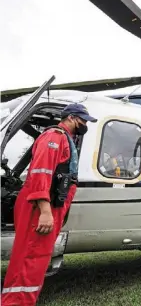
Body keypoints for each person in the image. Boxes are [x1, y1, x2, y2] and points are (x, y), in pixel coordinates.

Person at [1, 103, 97, 306]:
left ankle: (21, 300)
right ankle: (15, 302)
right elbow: (41, 173)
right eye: (83, 120)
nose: (85, 125)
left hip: (51, 205)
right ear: (71, 118)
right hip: (39, 207)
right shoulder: (54, 137)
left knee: (37, 257)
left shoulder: (66, 139)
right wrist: (45, 211)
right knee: (31, 257)